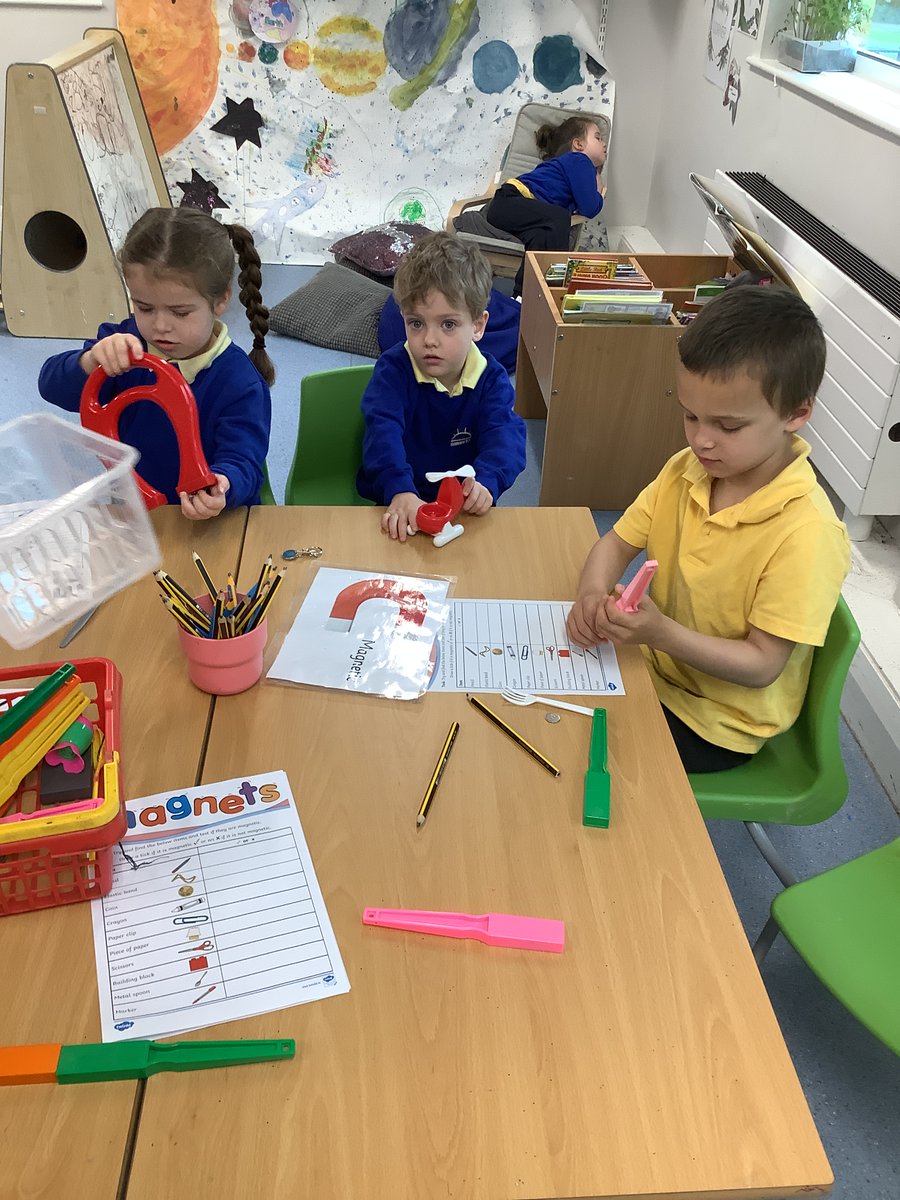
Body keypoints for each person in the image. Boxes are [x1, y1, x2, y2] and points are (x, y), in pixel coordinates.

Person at [566, 285, 851, 774]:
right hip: (653, 669)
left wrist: (660, 633)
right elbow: (615, 542)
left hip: (718, 723)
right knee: (545, 707)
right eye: (690, 415)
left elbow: (762, 665)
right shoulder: (686, 470)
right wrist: (591, 597)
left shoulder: (807, 533)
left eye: (728, 426)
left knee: (571, 747)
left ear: (797, 414)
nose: (701, 439)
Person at [39, 207, 274, 519]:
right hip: (134, 515)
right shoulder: (123, 345)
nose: (161, 325)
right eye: (145, 307)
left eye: (179, 312)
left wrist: (222, 486)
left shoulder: (239, 381)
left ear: (220, 301)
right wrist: (91, 360)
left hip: (206, 521)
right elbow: (51, 386)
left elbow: (244, 460)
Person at [356, 231, 526, 542]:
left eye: (448, 324)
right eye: (416, 323)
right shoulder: (393, 370)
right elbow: (382, 434)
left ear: (478, 325)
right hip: (401, 504)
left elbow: (506, 438)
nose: (429, 340)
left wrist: (487, 482)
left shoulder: (491, 379)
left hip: (464, 512)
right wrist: (400, 489)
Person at [485, 114, 606, 297]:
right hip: (510, 201)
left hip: (516, 212)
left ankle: (522, 298)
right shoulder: (579, 160)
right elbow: (590, 207)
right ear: (578, 145)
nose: (604, 143)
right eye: (598, 137)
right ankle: (555, 291)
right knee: (559, 218)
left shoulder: (566, 168)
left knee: (543, 235)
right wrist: (598, 188)